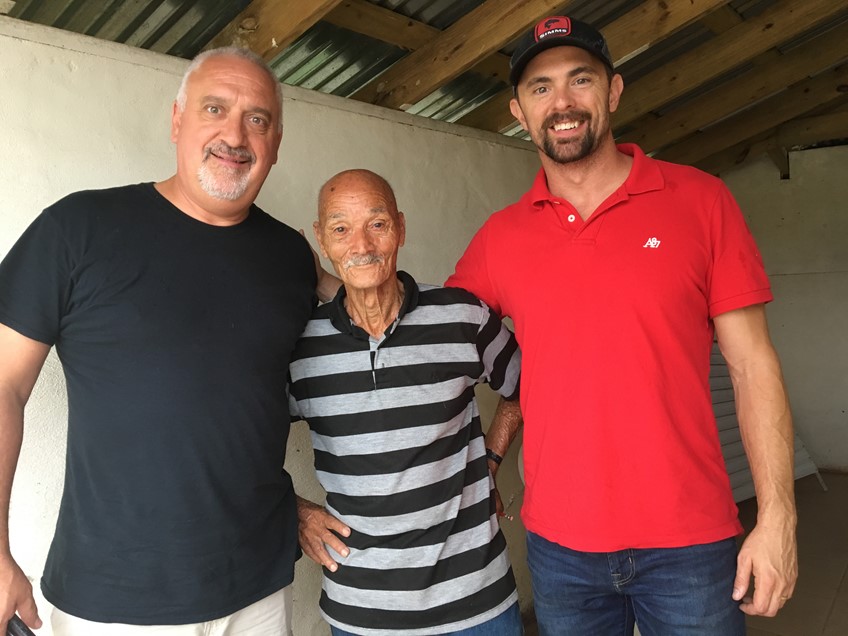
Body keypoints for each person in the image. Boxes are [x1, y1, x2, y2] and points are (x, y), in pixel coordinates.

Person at [445, 16, 798, 635]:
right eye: (540, 88)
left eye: (580, 79)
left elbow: (752, 366)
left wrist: (778, 520)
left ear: (613, 92)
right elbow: (432, 336)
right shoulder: (500, 239)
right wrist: (328, 279)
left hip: (691, 541)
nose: (562, 103)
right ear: (518, 112)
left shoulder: (702, 202)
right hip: (560, 549)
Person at [0, 47, 324, 635]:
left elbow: (251, 407)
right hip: (116, 603)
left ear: (276, 143)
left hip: (258, 594)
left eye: (258, 118)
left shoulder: (291, 258)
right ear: (177, 120)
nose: (235, 134)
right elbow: (2, 386)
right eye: (215, 108)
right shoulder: (77, 230)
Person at [288, 169, 525, 635]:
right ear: (321, 240)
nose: (361, 244)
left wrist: (491, 461)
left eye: (376, 223)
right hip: (363, 614)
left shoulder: (462, 316)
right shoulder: (301, 347)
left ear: (400, 226)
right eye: (340, 228)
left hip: (479, 604)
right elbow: (240, 446)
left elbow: (526, 386)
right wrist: (293, 508)